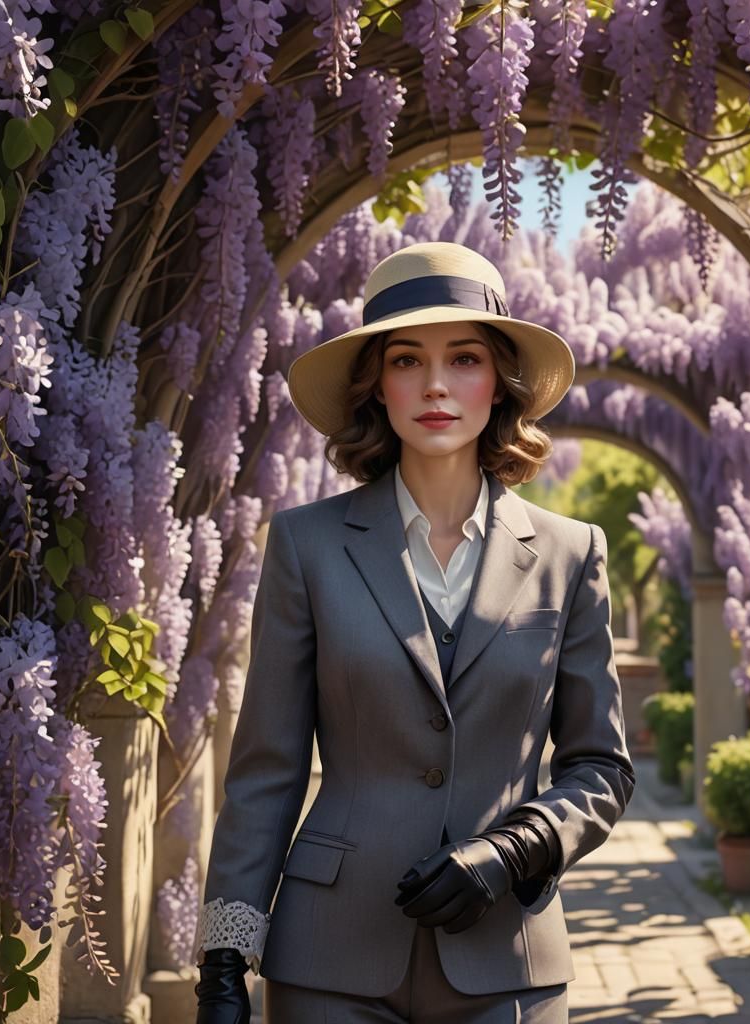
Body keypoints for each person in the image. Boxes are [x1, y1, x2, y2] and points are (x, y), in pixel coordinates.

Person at [194, 241, 635, 1023]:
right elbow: (267, 770)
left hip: (509, 961)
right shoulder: (307, 546)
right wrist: (225, 962)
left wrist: (517, 849)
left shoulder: (571, 554)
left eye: (463, 358)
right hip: (328, 960)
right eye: (406, 360)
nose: (435, 385)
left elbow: (600, 766)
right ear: (377, 385)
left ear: (499, 382)